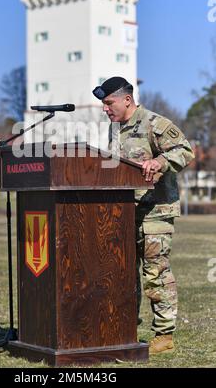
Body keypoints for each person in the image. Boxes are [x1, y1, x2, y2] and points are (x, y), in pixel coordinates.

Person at [93, 76, 195, 355]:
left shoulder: (154, 123)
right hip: (123, 211)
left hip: (155, 211)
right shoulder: (116, 128)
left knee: (155, 272)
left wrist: (158, 161)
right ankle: (126, 329)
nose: (105, 109)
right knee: (124, 273)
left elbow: (185, 151)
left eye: (109, 103)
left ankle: (164, 334)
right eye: (103, 104)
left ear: (127, 100)